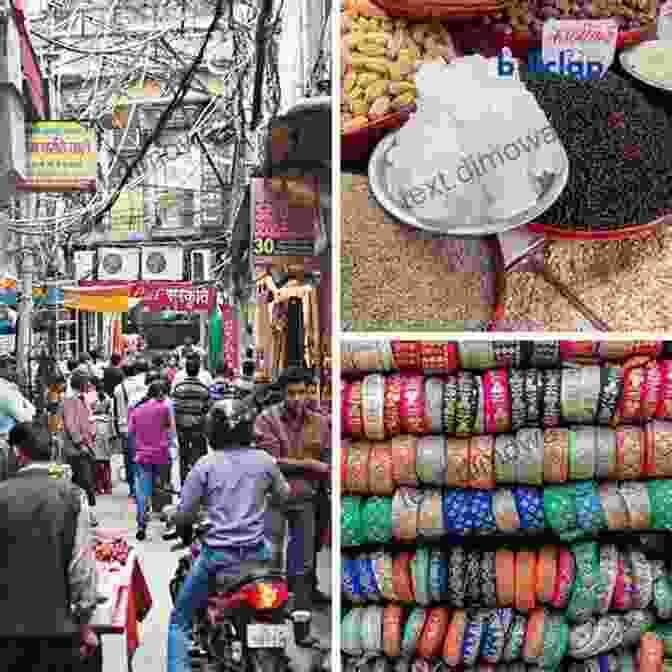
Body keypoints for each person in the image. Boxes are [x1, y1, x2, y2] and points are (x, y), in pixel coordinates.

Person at [166, 397, 290, 672]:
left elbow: (185, 514)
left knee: (179, 621)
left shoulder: (205, 465)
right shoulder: (265, 461)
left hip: (219, 559)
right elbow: (284, 496)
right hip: (260, 557)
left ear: (212, 431)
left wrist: (173, 516)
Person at [0, 422, 100, 671]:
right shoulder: (74, 496)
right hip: (58, 631)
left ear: (18, 453)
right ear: (52, 452)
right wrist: (85, 624)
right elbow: (82, 569)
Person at [254, 366, 331, 645]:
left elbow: (328, 461)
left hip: (306, 502)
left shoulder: (321, 423)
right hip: (274, 500)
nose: (297, 399)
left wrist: (317, 471)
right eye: (291, 393)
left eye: (302, 392)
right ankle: (269, 634)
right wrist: (310, 465)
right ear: (282, 394)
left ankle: (302, 632)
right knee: (270, 564)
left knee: (302, 567)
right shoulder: (266, 420)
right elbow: (271, 461)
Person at [129, 379, 174, 541]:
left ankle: (141, 524)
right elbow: (169, 431)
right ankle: (168, 520)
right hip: (161, 454)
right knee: (164, 488)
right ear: (160, 394)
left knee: (142, 491)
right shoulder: (164, 409)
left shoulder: (136, 411)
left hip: (143, 456)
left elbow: (131, 434)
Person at [63, 371, 98, 527]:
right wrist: (80, 443)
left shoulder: (82, 399)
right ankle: (90, 515)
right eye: (87, 382)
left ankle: (85, 514)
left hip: (85, 446)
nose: (89, 385)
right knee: (85, 482)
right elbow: (71, 425)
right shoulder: (70, 401)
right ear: (81, 384)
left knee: (85, 481)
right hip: (77, 449)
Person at [172, 355, 212, 485]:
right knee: (199, 457)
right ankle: (198, 483)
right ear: (198, 370)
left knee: (183, 455)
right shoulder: (203, 389)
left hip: (182, 428)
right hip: (198, 428)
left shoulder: (179, 388)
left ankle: (184, 482)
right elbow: (207, 409)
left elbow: (174, 408)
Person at [112, 359, 149, 498]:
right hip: (141, 427)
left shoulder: (118, 389)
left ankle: (132, 487)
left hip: (125, 427)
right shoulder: (143, 386)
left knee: (128, 458)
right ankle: (141, 484)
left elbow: (115, 411)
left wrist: (115, 430)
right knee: (141, 456)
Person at [93, 383, 114, 495]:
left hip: (97, 438)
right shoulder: (108, 401)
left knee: (97, 465)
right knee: (106, 464)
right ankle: (108, 486)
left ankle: (99, 487)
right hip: (105, 438)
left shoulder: (93, 401)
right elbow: (112, 433)